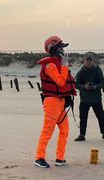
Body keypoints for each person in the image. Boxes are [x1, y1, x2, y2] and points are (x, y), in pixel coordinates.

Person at [34, 35, 77, 168]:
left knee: (65, 129)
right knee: (47, 131)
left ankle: (60, 158)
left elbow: (65, 82)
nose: (63, 51)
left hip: (61, 102)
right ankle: (39, 158)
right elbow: (60, 81)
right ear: (54, 49)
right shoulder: (50, 65)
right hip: (52, 102)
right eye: (61, 48)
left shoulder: (58, 64)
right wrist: (64, 66)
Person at [73, 53, 104, 142]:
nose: (89, 62)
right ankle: (82, 135)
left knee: (101, 116)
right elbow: (76, 84)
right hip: (84, 99)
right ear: (84, 61)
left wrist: (95, 87)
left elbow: (102, 83)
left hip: (96, 99)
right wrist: (84, 86)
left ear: (93, 61)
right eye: (87, 60)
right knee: (83, 118)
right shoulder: (81, 72)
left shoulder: (97, 70)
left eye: (90, 60)